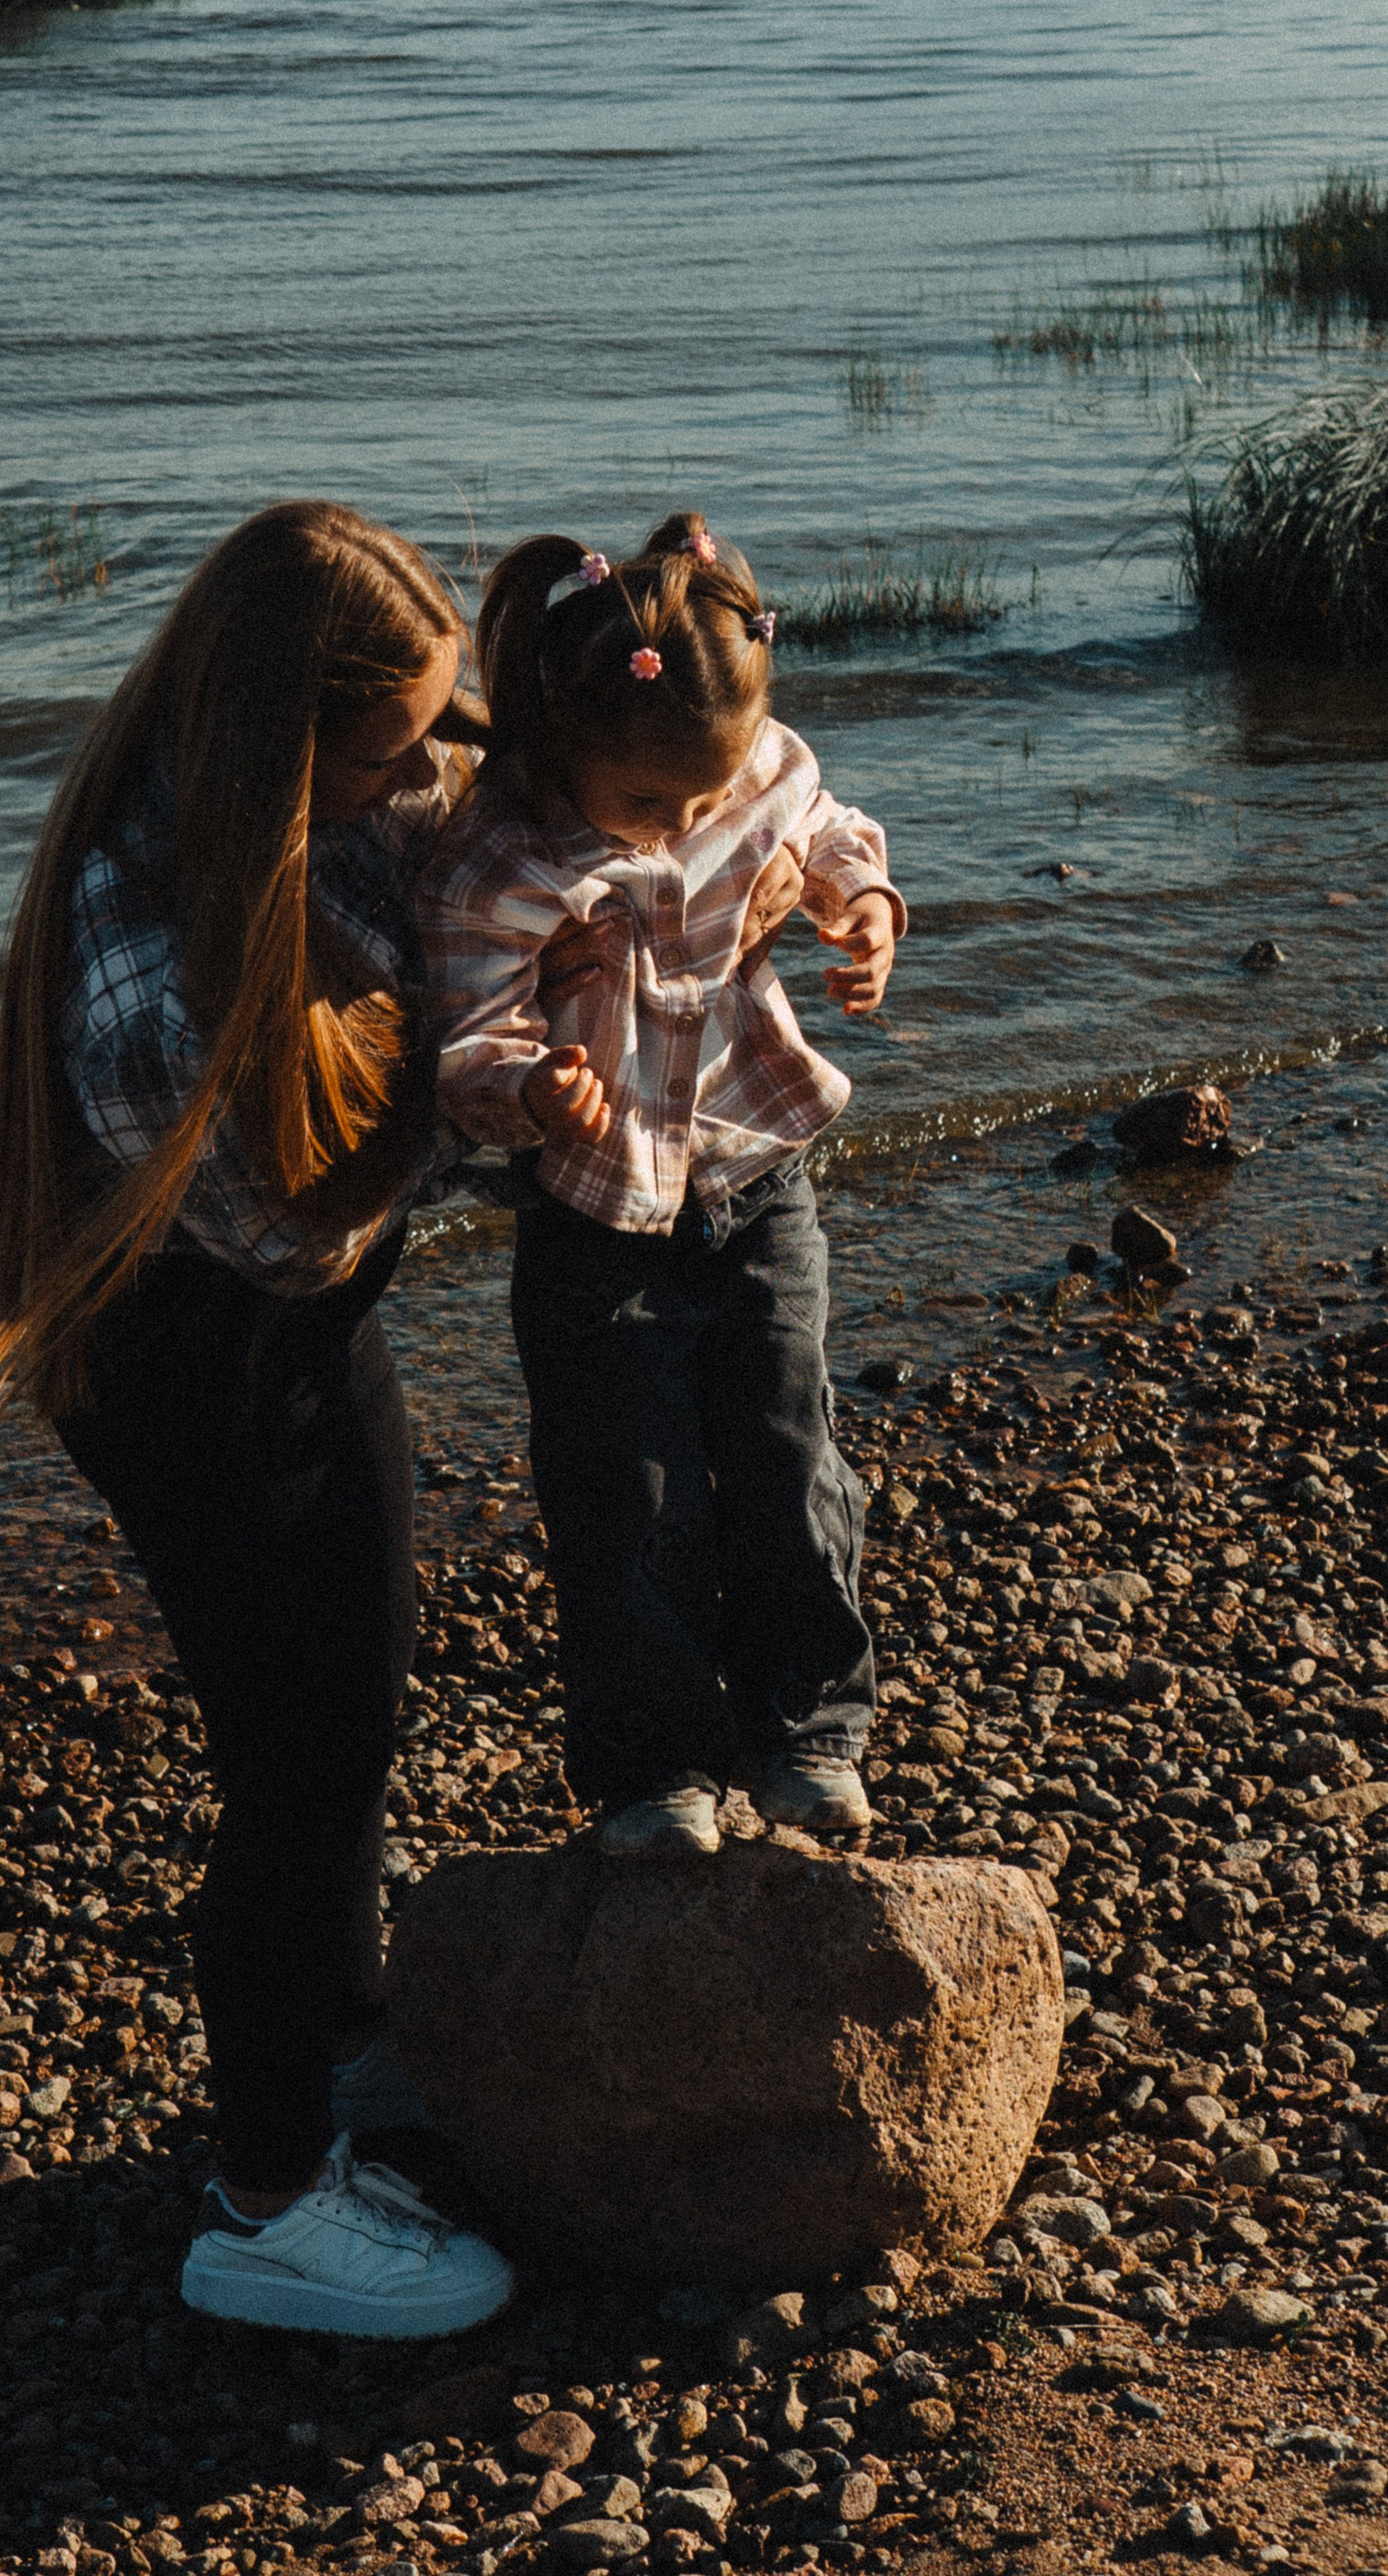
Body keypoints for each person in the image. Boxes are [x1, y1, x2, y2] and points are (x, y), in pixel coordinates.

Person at [0, 499, 517, 2339]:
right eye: (393, 744)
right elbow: (296, 1216)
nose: (430, 767)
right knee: (301, 1752)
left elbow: (494, 833)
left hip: (296, 1327)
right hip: (183, 1362)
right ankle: (265, 2197)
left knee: (362, 1677)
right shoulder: (144, 962)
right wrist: (479, 1065)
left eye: (440, 724)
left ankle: (340, 2044)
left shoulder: (333, 811)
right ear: (289, 749)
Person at [418, 514, 904, 1860]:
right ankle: (654, 1770)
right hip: (590, 1211)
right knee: (625, 1491)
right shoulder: (507, 858)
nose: (687, 826)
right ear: (558, 749)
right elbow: (463, 1033)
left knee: (791, 1448)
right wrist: (521, 1087)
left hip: (757, 1170)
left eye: (707, 795)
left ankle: (810, 1736)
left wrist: (860, 908)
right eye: (648, 808)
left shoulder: (750, 767)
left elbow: (827, 829)